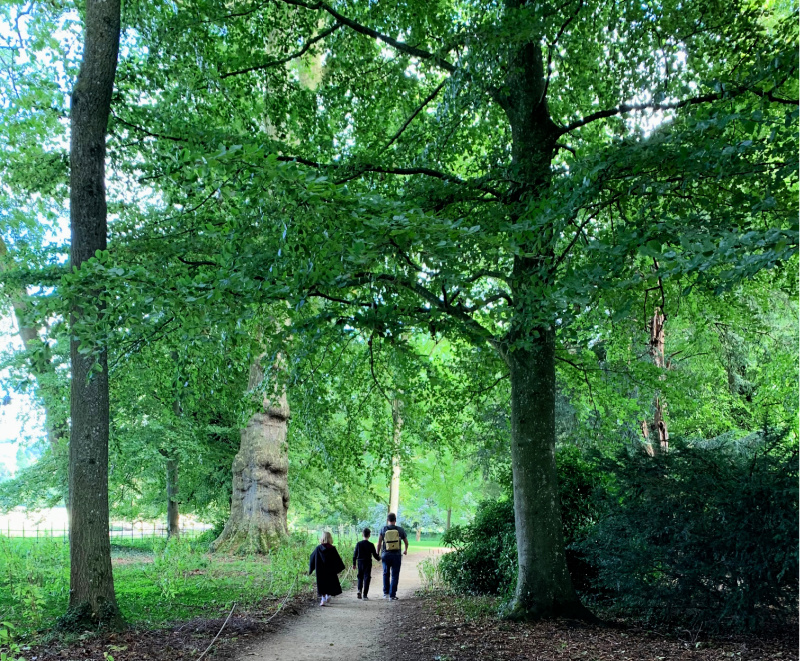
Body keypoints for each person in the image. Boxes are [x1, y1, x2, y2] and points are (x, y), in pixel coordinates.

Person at [309, 531, 346, 607]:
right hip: (330, 570)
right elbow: (337, 560)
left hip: (320, 571)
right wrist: (339, 568)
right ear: (330, 538)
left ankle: (323, 599)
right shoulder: (332, 549)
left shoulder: (318, 548)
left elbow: (312, 557)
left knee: (322, 585)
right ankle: (328, 595)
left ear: (322, 538)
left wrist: (311, 568)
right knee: (330, 583)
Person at [376, 512, 408, 600]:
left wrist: (377, 553)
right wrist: (405, 550)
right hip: (396, 555)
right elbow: (406, 542)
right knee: (395, 575)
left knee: (386, 573)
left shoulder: (383, 529)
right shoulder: (400, 530)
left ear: (387, 520)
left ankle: (385, 593)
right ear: (395, 520)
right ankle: (392, 595)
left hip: (386, 555)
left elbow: (379, 543)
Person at [352, 527, 381, 600]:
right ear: (369, 535)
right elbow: (375, 555)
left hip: (360, 562)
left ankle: (359, 590)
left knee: (360, 576)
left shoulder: (359, 544)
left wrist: (354, 564)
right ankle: (365, 595)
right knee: (367, 578)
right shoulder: (371, 545)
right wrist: (379, 558)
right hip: (368, 562)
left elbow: (355, 554)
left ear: (362, 534)